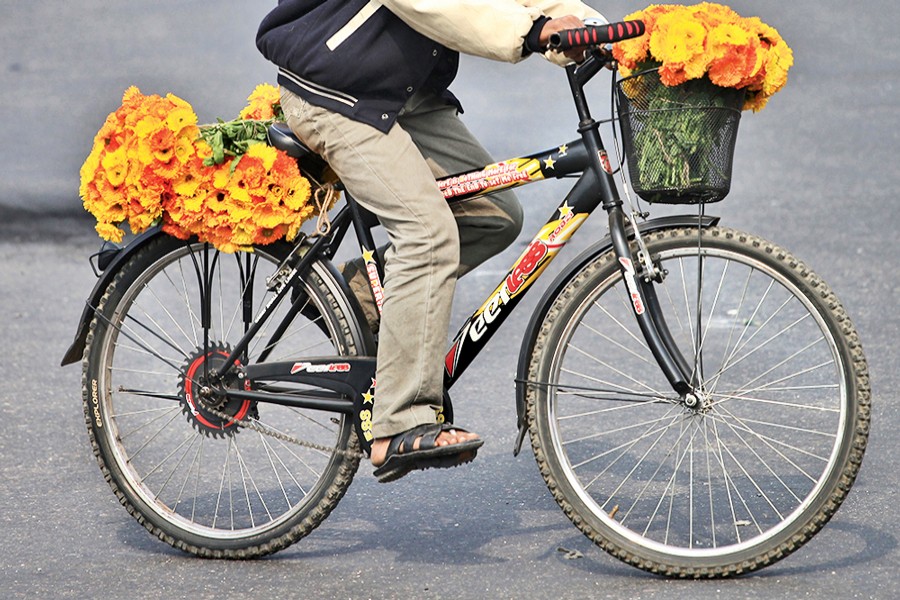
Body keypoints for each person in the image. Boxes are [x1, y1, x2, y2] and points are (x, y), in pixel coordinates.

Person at [256, 0, 606, 483]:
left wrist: (595, 30)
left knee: (496, 215)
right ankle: (400, 425)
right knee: (427, 235)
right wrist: (533, 30)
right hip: (336, 91)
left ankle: (354, 301)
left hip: (399, 93)